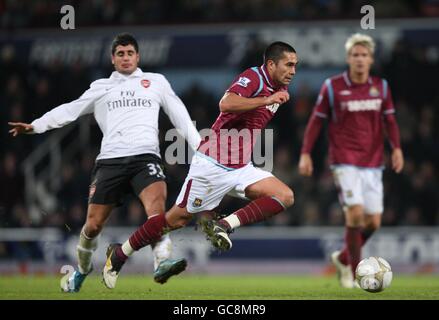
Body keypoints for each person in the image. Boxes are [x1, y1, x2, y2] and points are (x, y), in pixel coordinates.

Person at [8, 33, 201, 292]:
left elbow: (179, 115)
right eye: (120, 54)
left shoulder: (156, 82)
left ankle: (162, 262)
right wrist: (36, 126)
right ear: (113, 59)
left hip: (146, 157)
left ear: (138, 56)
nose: (125, 58)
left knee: (156, 209)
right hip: (111, 161)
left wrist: (199, 146)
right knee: (93, 225)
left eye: (130, 53)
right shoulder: (101, 87)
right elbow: (70, 109)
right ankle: (82, 271)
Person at [101, 41, 298, 289]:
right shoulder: (255, 78)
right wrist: (266, 99)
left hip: (240, 167)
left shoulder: (277, 88)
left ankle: (223, 225)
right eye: (289, 65)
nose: (293, 71)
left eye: (295, 66)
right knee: (175, 221)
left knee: (284, 196)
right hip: (212, 165)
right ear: (271, 64)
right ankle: (119, 254)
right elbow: (226, 104)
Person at [298, 33, 404, 288]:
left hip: (373, 161)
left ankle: (343, 259)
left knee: (373, 222)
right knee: (355, 215)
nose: (359, 59)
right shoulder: (332, 86)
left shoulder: (382, 87)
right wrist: (305, 152)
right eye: (355, 55)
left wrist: (397, 148)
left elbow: (389, 120)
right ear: (348, 58)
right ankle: (356, 273)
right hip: (344, 160)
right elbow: (316, 121)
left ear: (371, 59)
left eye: (364, 55)